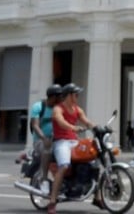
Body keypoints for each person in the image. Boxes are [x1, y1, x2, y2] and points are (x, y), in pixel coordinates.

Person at [47, 83, 95, 214]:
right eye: (76, 94)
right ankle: (52, 201)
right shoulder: (58, 108)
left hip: (74, 142)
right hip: (61, 142)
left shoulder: (77, 109)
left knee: (92, 161)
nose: (78, 96)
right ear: (68, 95)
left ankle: (98, 197)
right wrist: (73, 127)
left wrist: (97, 128)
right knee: (64, 166)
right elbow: (60, 121)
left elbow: (86, 121)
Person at [30, 84, 63, 185]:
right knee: (47, 147)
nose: (61, 98)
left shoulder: (59, 108)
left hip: (57, 139)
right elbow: (35, 125)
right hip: (40, 141)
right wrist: (44, 138)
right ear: (53, 97)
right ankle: (44, 178)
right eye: (59, 96)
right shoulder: (38, 106)